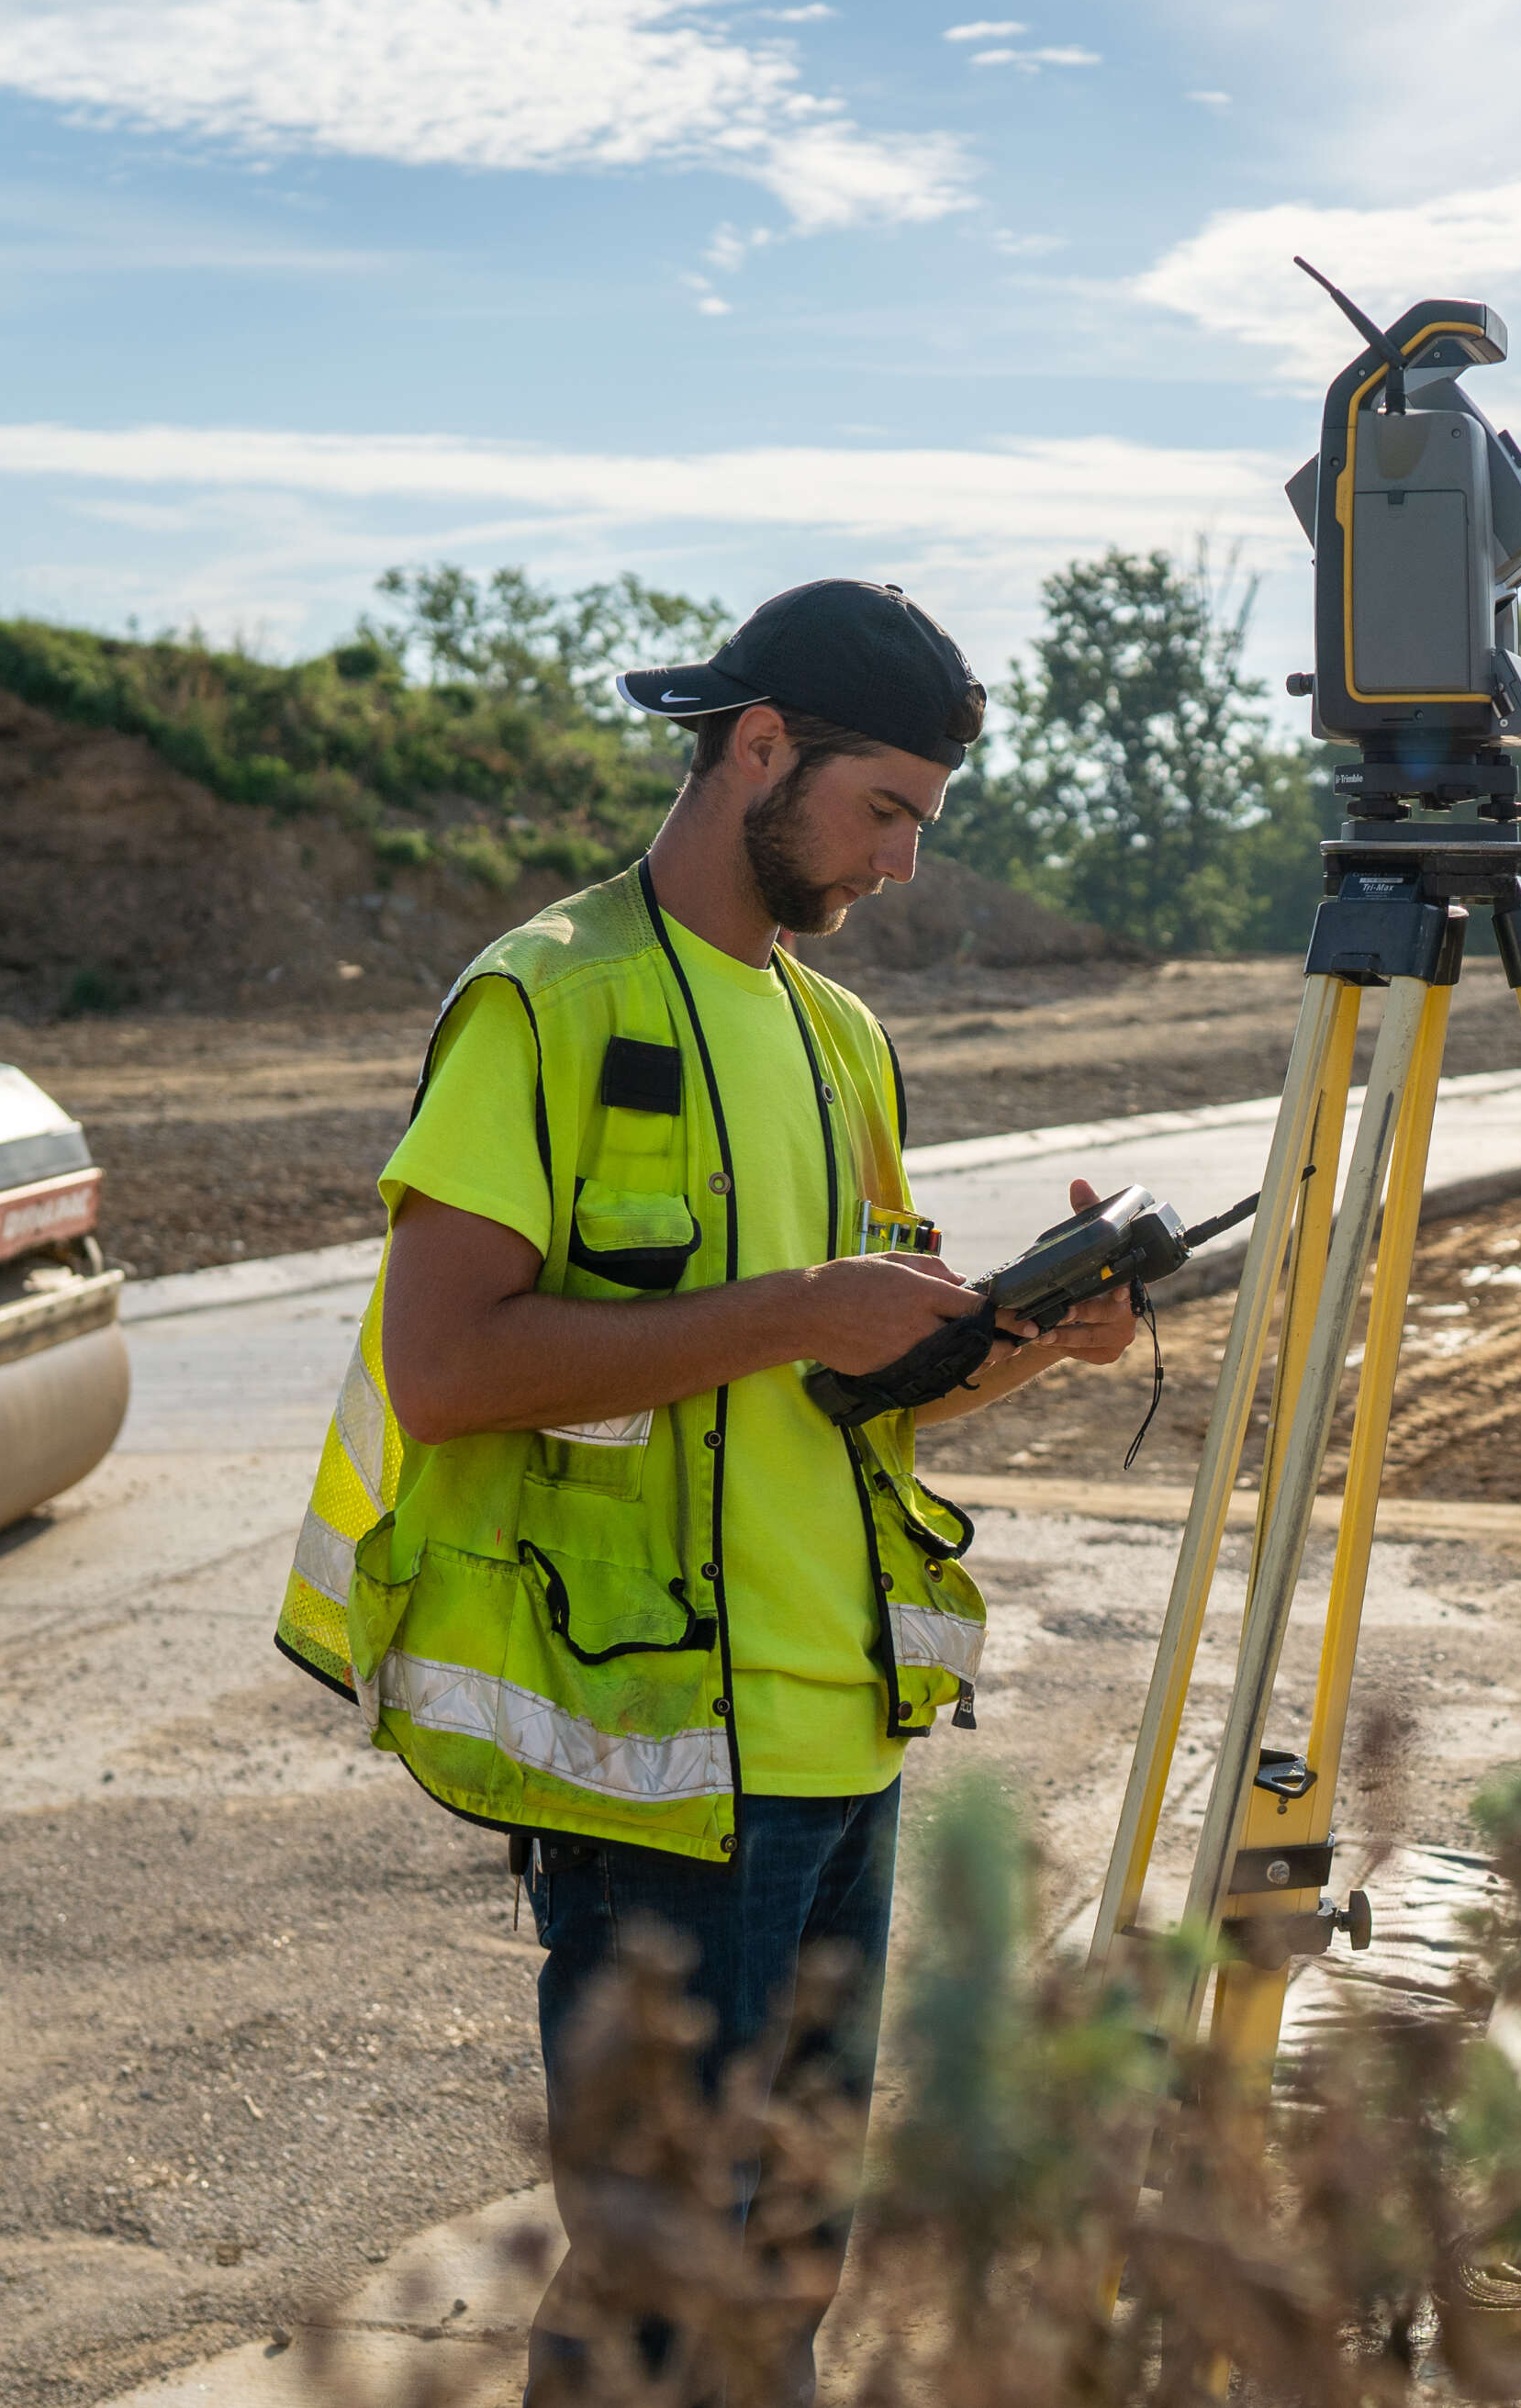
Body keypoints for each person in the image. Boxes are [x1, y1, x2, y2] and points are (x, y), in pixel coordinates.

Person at [271, 578, 1141, 2405]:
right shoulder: (547, 1000)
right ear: (760, 747)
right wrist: (790, 1309)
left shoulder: (839, 1042)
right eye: (883, 808)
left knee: (782, 2266)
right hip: (652, 1773)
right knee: (663, 2273)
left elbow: (847, 1398)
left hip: (841, 1750)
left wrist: (1029, 1342)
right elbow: (445, 1366)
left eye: (920, 818)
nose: (902, 861)